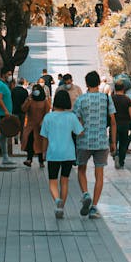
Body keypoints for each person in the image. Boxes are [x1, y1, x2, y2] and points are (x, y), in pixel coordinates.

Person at [74, 70, 116, 219]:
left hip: (84, 141)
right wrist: (113, 142)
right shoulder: (106, 99)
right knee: (99, 174)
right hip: (101, 141)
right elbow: (112, 121)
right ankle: (94, 207)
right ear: (98, 83)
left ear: (86, 83)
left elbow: (76, 121)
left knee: (81, 169)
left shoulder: (81, 100)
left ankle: (85, 193)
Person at [40, 88, 84, 218]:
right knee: (64, 181)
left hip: (53, 154)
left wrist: (43, 152)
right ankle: (61, 208)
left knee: (52, 181)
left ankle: (57, 200)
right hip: (69, 153)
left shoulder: (48, 117)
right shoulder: (71, 117)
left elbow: (44, 137)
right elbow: (80, 132)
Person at [22, 83, 50, 167]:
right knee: (30, 142)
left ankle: (41, 161)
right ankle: (29, 159)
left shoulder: (45, 101)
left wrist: (43, 121)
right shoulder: (30, 100)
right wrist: (28, 101)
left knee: (40, 143)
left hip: (40, 126)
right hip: (30, 126)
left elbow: (47, 112)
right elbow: (23, 109)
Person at [112, 79, 131, 168]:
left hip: (114, 124)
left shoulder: (111, 99)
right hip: (125, 125)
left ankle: (115, 155)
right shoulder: (127, 100)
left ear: (115, 89)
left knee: (114, 141)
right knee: (123, 144)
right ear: (123, 89)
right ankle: (121, 161)